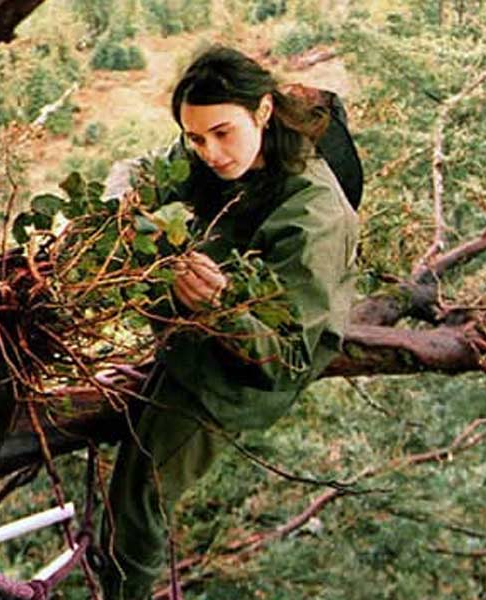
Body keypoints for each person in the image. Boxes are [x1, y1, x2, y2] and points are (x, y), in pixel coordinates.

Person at [98, 45, 360, 599]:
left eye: (221, 133)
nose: (209, 153)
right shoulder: (209, 145)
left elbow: (286, 360)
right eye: (195, 138)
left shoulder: (315, 217)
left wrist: (221, 307)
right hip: (190, 330)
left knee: (136, 503)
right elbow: (144, 171)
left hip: (233, 377)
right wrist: (122, 202)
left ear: (263, 111)